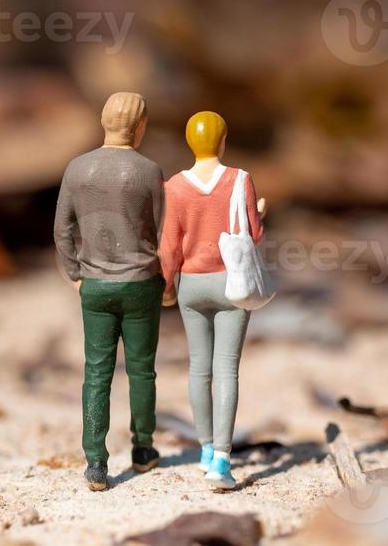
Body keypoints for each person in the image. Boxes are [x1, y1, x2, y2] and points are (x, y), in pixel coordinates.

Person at [53, 91, 166, 491]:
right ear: (139, 127)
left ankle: (96, 463)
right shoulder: (149, 170)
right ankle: (143, 448)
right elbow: (162, 231)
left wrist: (75, 273)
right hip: (140, 284)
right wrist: (166, 279)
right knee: (141, 370)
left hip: (95, 285)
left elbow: (62, 229)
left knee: (96, 373)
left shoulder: (77, 168)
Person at [158, 111, 264, 490]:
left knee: (198, 368)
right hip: (230, 283)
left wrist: (166, 285)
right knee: (227, 370)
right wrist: (261, 214)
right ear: (222, 140)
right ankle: (222, 457)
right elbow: (251, 233)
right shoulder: (240, 179)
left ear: (191, 142)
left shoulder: (174, 186)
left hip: (191, 284)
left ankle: (204, 449)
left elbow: (169, 246)